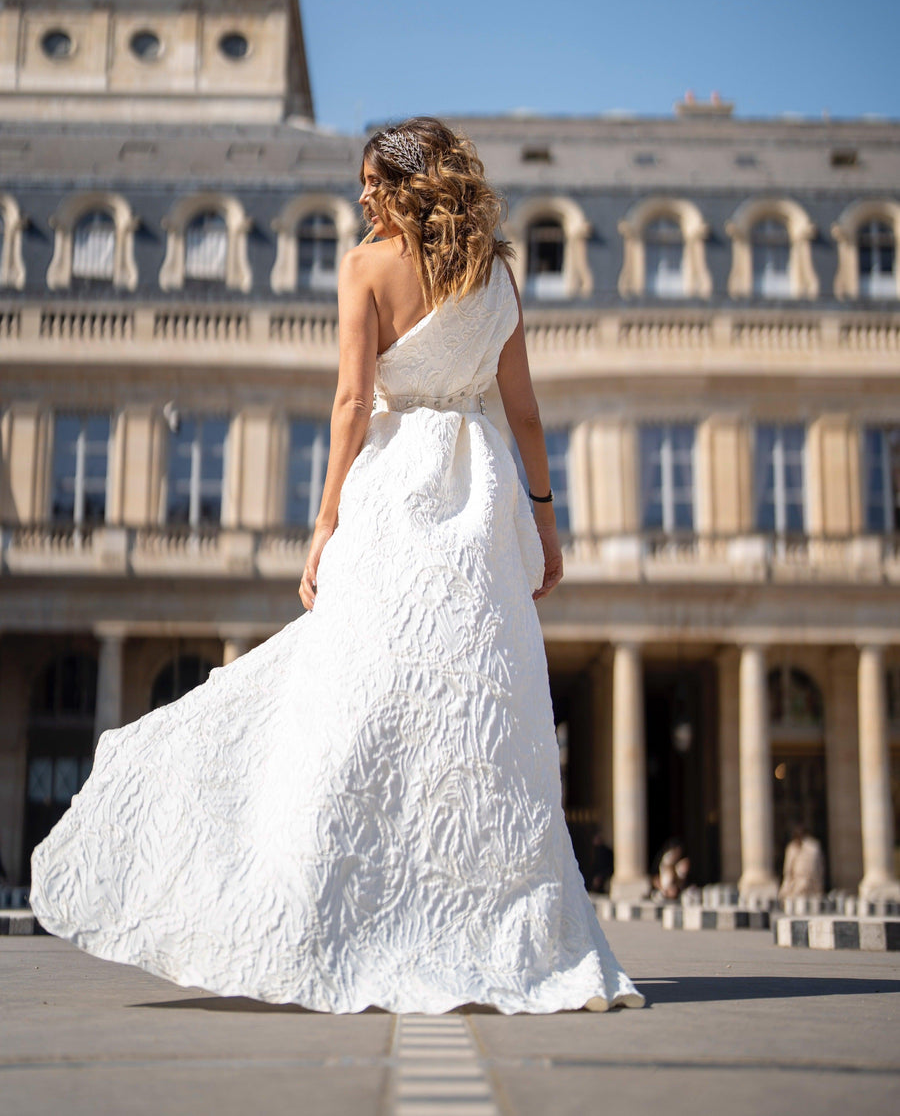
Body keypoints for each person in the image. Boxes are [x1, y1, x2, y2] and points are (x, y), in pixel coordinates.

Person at [28, 117, 644, 1016]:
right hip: (478, 501)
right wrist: (546, 526)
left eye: (370, 181)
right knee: (477, 709)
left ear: (409, 182)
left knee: (358, 694)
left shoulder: (364, 267)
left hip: (396, 492)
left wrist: (323, 525)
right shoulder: (497, 277)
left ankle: (349, 905)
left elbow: (354, 400)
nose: (360, 197)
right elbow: (528, 417)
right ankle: (490, 923)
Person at [778, 822, 825, 900]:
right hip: (798, 883)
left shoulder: (813, 847)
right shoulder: (793, 848)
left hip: (810, 883)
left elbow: (819, 867)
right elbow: (788, 870)